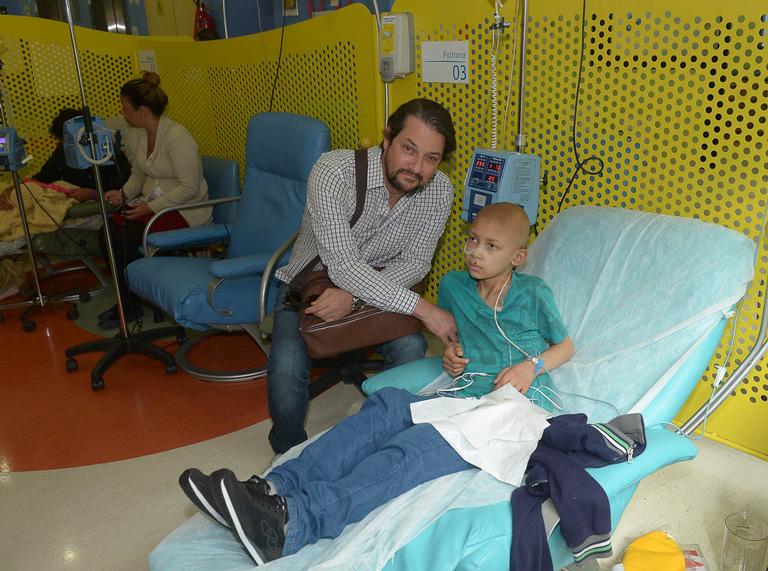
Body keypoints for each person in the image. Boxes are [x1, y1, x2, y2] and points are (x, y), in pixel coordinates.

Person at [177, 202, 575, 565]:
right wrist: (453, 355)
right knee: (385, 406)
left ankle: (292, 523)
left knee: (414, 446)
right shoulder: (455, 287)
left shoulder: (533, 294)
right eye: (472, 240)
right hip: (464, 392)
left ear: (518, 257)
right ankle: (268, 489)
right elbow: (460, 340)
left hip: (513, 408)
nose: (475, 252)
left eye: (491, 246)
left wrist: (531, 366)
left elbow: (566, 346)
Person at [267, 98, 460, 454]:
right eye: (408, 149)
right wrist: (426, 310)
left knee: (412, 349)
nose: (417, 167)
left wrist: (353, 296)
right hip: (308, 289)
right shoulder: (333, 172)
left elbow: (416, 264)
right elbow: (342, 266)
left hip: (378, 293)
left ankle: (382, 438)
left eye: (431, 158)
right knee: (286, 367)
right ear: (387, 139)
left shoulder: (439, 191)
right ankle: (286, 451)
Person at [96, 72, 212, 330]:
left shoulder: (178, 137)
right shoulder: (138, 134)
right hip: (154, 205)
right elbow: (138, 174)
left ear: (142, 110)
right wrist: (123, 194)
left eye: (126, 108)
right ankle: (128, 300)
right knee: (107, 232)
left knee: (124, 235)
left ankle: (129, 304)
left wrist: (149, 207)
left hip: (186, 210)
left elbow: (189, 187)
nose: (122, 113)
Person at [31, 107, 132, 201]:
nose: (67, 147)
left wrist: (93, 194)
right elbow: (46, 175)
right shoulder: (62, 151)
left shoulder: (106, 150)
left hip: (100, 202)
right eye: (64, 143)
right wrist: (28, 184)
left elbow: (124, 189)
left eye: (70, 143)